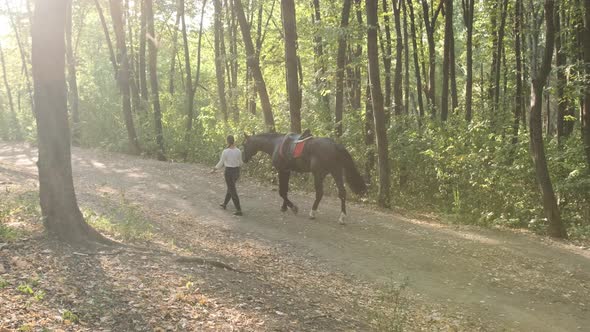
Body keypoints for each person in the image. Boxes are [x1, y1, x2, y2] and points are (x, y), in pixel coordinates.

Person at [211, 135, 243, 216]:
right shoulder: (238, 151)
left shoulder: (225, 151)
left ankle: (239, 209)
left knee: (232, 190)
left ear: (227, 141)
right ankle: (225, 204)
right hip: (236, 171)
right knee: (230, 188)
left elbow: (221, 162)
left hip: (229, 172)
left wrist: (214, 169)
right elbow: (240, 163)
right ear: (233, 141)